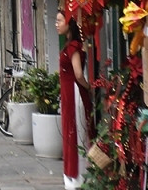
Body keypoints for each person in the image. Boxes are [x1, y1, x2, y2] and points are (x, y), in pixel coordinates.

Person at [57, 13, 94, 190]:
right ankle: (72, 174)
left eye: (59, 21)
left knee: (76, 132)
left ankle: (78, 175)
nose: (56, 24)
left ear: (69, 24)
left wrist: (87, 88)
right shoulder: (69, 45)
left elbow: (78, 74)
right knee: (70, 131)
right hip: (68, 93)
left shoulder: (73, 46)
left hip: (74, 93)